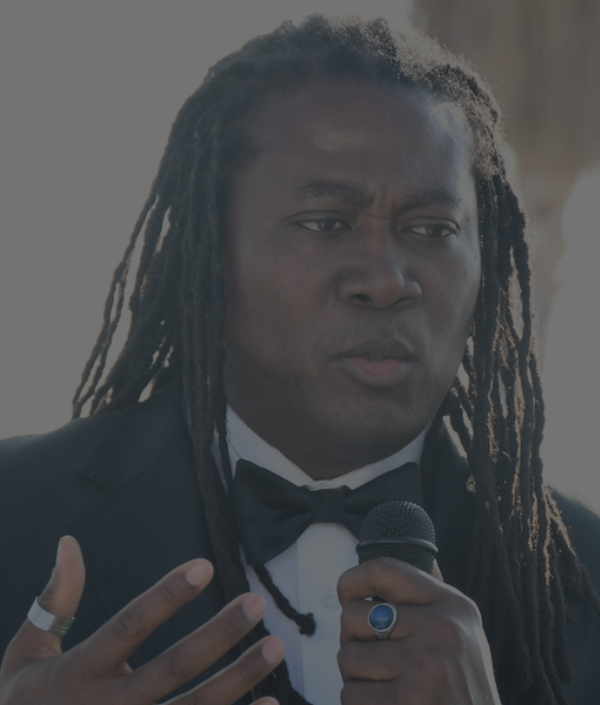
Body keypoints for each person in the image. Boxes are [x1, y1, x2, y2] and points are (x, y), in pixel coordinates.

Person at [0, 14, 599, 705]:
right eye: (325, 222)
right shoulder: (16, 510)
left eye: (432, 229)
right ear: (212, 253)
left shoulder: (582, 575)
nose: (385, 280)